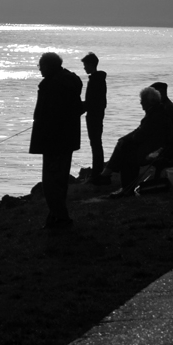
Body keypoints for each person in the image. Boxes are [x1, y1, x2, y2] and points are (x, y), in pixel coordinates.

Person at [28, 52, 85, 228]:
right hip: (67, 139)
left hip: (53, 140)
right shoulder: (70, 81)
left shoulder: (53, 85)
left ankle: (60, 217)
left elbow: (48, 114)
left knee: (51, 182)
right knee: (59, 181)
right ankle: (56, 215)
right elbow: (76, 109)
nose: (40, 69)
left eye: (41, 66)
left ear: (49, 66)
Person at [103, 85, 173, 198]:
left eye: (142, 100)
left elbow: (140, 135)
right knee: (124, 145)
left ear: (149, 102)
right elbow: (139, 131)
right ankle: (113, 178)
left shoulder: (155, 116)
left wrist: (126, 140)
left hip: (156, 150)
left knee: (126, 152)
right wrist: (125, 139)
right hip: (155, 146)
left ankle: (118, 182)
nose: (140, 103)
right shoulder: (157, 112)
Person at [80, 53, 108, 183]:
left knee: (96, 143)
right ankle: (98, 172)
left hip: (94, 116)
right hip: (95, 115)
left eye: (85, 65)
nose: (84, 68)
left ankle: (97, 173)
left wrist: (79, 108)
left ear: (91, 65)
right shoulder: (97, 78)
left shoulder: (96, 80)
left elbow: (92, 101)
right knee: (96, 143)